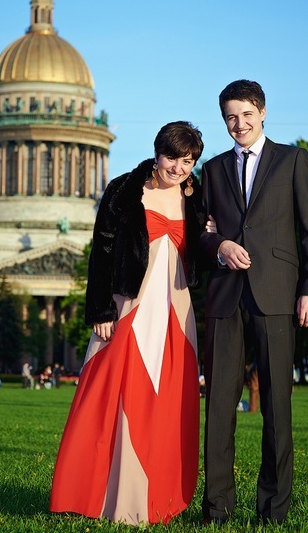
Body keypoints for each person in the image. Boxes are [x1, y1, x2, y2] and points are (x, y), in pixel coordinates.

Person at [50, 121, 205, 525]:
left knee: (169, 400)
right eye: (171, 157)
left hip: (176, 310)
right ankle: (99, 495)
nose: (177, 168)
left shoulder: (197, 196)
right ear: (157, 153)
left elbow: (203, 252)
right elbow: (101, 252)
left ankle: (159, 497)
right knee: (108, 397)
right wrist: (100, 310)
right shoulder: (124, 190)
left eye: (187, 161)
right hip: (128, 306)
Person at [201, 80, 308, 526]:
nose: (239, 124)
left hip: (277, 294)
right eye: (230, 117)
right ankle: (216, 510)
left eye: (246, 114)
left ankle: (273, 511)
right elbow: (200, 232)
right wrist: (219, 245)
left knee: (276, 408)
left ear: (263, 112)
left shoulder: (292, 160)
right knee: (219, 408)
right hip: (225, 297)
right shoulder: (212, 169)